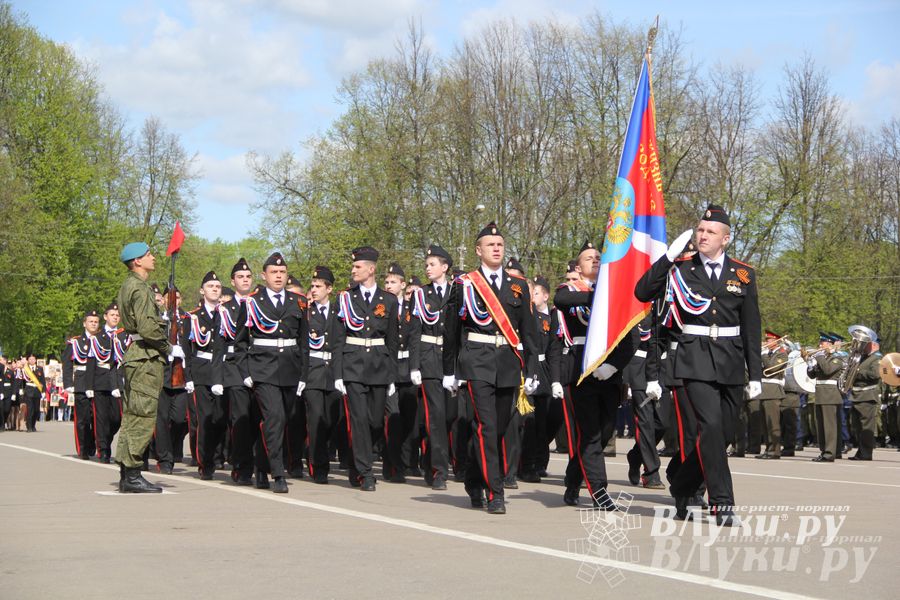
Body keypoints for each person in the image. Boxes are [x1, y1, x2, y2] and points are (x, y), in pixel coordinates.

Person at [635, 205, 762, 527]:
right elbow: (642, 292)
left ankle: (682, 484)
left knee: (724, 435)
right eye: (700, 230)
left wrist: (756, 372)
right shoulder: (680, 269)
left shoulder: (743, 274)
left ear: (726, 239)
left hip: (731, 360)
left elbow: (751, 326)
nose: (703, 236)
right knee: (711, 428)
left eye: (710, 232)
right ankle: (722, 502)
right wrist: (667, 259)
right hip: (693, 361)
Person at [443, 223, 540, 514]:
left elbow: (529, 332)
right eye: (490, 244)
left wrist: (533, 369)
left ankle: (474, 479)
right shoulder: (465, 284)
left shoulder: (518, 285)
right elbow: (450, 330)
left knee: (495, 430)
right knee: (486, 425)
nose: (496, 248)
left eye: (500, 244)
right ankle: (495, 491)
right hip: (476, 360)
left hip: (508, 362)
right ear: (478, 250)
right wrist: (450, 370)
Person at [555, 240, 638, 509]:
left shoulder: (616, 293)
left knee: (603, 433)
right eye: (589, 258)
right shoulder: (571, 290)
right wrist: (602, 295)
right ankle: (599, 492)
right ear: (578, 267)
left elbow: (630, 336)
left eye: (598, 257)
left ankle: (572, 478)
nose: (595, 260)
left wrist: (614, 366)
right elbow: (562, 300)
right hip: (580, 368)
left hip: (608, 370)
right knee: (589, 432)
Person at [234, 252, 309, 494]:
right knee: (274, 417)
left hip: (290, 368)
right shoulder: (252, 303)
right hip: (262, 368)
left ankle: (262, 465)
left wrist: (304, 375)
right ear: (264, 276)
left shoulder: (298, 302)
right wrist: (245, 370)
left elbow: (304, 341)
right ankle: (278, 474)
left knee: (280, 421)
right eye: (274, 272)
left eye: (282, 272)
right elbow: (240, 342)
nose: (278, 276)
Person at [115, 242, 182, 493]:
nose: (153, 258)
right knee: (142, 416)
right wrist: (167, 347)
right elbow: (147, 327)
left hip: (136, 355)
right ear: (137, 261)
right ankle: (132, 475)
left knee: (133, 416)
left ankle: (126, 473)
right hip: (145, 357)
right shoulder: (139, 288)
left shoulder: (128, 285)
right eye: (148, 255)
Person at [333, 246, 399, 491]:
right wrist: (337, 373)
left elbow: (392, 340)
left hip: (379, 366)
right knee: (359, 419)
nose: (353, 271)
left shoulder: (389, 300)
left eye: (357, 267)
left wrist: (392, 374)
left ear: (371, 269)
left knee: (374, 421)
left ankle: (355, 461)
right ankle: (365, 472)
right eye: (353, 267)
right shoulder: (346, 298)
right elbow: (338, 337)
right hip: (353, 365)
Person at [413, 244, 456, 487]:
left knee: (452, 416)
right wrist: (414, 365)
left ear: (445, 267)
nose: (428, 269)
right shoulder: (421, 295)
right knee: (436, 417)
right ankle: (440, 471)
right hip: (429, 358)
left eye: (432, 264)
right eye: (426, 265)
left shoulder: (459, 292)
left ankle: (432, 460)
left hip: (452, 360)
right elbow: (414, 333)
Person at [519, 276, 562, 484]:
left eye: (535, 292)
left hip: (544, 371)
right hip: (529, 368)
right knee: (529, 421)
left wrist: (554, 379)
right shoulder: (527, 316)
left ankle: (539, 462)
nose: (532, 296)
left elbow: (553, 347)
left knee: (543, 421)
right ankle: (526, 465)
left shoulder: (551, 317)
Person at [381, 262, 422, 484]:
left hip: (407, 368)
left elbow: (415, 337)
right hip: (390, 367)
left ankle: (407, 463)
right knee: (393, 418)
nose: (388, 285)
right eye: (386, 281)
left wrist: (416, 367)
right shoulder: (382, 307)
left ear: (403, 284)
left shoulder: (409, 309)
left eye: (393, 282)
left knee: (409, 419)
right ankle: (392, 466)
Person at [220, 258, 259, 486]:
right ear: (233, 281)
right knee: (241, 420)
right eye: (240, 277)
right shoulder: (226, 309)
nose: (245, 280)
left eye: (248, 277)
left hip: (260, 365)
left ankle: (258, 464)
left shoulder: (260, 302)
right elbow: (219, 344)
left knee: (259, 418)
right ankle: (242, 466)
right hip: (235, 367)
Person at [185, 271, 226, 479]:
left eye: (218, 287)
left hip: (223, 371)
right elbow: (186, 350)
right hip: (201, 371)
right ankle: (205, 462)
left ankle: (219, 455)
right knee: (205, 419)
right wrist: (188, 377)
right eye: (211, 286)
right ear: (202, 291)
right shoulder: (193, 317)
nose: (215, 289)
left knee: (220, 418)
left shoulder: (226, 313)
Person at [304, 266, 343, 484]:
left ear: (329, 288)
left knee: (332, 420)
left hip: (334, 372)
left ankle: (323, 455)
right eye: (312, 286)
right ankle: (318, 466)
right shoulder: (307, 312)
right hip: (314, 372)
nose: (314, 290)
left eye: (319, 286)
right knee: (316, 419)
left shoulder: (340, 312)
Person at [63, 310, 101, 459]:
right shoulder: (76, 341)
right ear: (84, 323)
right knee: (83, 419)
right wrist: (68, 383)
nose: (93, 324)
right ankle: (83, 448)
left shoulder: (102, 340)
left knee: (98, 418)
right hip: (81, 382)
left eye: (96, 321)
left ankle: (94, 443)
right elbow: (67, 363)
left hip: (98, 382)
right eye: (91, 321)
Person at [807, 333, 845, 462]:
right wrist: (810, 364)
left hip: (831, 394)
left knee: (829, 426)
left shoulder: (837, 358)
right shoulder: (823, 358)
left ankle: (830, 453)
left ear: (829, 344)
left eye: (822, 343)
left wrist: (819, 357)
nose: (819, 346)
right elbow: (812, 375)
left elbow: (828, 370)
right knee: (821, 426)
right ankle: (824, 451)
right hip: (820, 394)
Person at [848, 333, 883, 461]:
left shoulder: (877, 359)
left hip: (867, 396)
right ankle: (860, 451)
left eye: (866, 343)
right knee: (857, 426)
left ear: (873, 345)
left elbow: (875, 374)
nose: (863, 346)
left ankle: (866, 453)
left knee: (866, 427)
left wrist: (857, 371)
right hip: (857, 395)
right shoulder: (863, 357)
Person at [757, 331, 788, 460]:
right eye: (766, 340)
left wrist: (762, 355)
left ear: (776, 341)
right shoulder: (767, 353)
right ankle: (768, 449)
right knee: (765, 424)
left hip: (773, 391)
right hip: (764, 390)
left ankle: (775, 450)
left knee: (773, 423)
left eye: (769, 340)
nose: (766, 342)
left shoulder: (781, 354)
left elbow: (771, 368)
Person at [21, 353, 46, 433]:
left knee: (36, 410)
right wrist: (21, 389)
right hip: (28, 390)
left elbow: (42, 380)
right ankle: (29, 427)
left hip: (37, 390)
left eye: (33, 359)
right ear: (28, 360)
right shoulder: (25, 369)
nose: (32, 360)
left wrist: (44, 391)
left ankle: (33, 425)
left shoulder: (40, 368)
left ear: (35, 360)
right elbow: (22, 380)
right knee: (30, 409)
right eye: (30, 359)